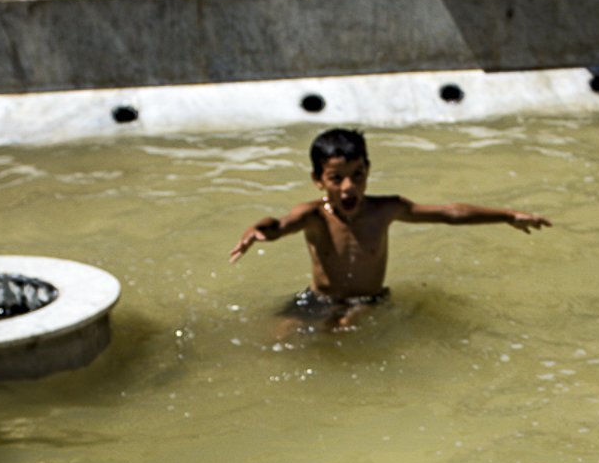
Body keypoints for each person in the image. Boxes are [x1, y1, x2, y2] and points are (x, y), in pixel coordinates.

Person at [228, 127, 551, 330]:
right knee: (277, 337)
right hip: (318, 299)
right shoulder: (313, 215)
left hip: (370, 300)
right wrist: (258, 230)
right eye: (336, 178)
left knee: (345, 329)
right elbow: (280, 225)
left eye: (357, 174)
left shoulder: (385, 209)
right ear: (317, 181)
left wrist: (507, 214)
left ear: (368, 170)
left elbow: (449, 213)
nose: (348, 187)